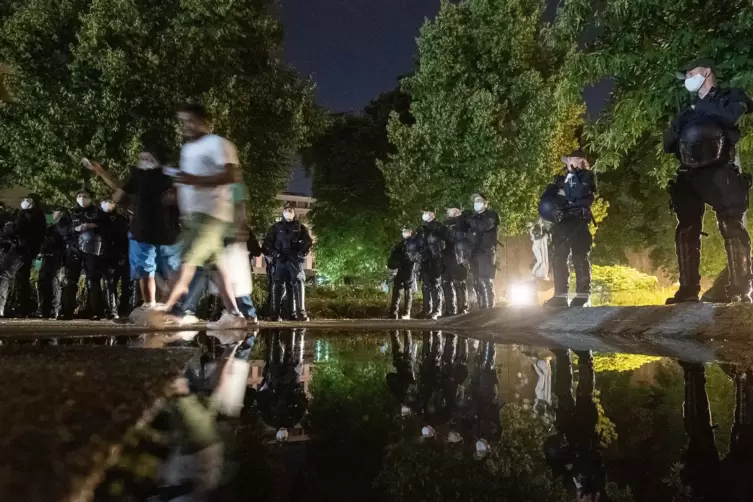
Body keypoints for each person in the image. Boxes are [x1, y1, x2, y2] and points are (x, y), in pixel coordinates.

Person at [665, 58, 753, 304]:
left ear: (706, 72)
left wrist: (701, 109)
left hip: (719, 170)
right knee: (686, 230)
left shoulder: (730, 96)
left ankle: (740, 290)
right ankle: (687, 291)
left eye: (691, 73)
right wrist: (687, 117)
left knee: (731, 226)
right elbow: (668, 143)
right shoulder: (687, 109)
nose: (688, 79)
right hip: (688, 173)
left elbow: (732, 115)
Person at [158, 103, 247, 329]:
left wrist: (197, 181)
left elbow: (232, 175)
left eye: (189, 120)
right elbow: (187, 180)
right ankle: (235, 314)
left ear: (202, 120)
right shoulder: (187, 150)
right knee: (217, 269)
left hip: (211, 216)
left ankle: (164, 309)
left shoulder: (218, 143)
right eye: (182, 121)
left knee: (186, 260)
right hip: (193, 217)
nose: (185, 126)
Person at [88, 138, 182, 313]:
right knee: (151, 271)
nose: (143, 162)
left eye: (147, 159)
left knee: (161, 271)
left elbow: (119, 192)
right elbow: (120, 188)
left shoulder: (162, 174)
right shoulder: (140, 178)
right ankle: (156, 306)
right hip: (152, 232)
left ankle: (164, 306)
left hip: (160, 231)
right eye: (142, 158)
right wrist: (101, 173)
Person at [540, 151, 596, 308]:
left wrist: (569, 183)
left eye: (570, 159)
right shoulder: (562, 178)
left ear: (580, 160)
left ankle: (582, 295)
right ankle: (560, 296)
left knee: (579, 256)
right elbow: (548, 198)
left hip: (578, 220)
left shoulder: (586, 176)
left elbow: (580, 193)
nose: (567, 162)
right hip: (562, 222)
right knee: (558, 257)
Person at [60, 189, 107, 320]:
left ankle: (95, 311)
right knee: (70, 280)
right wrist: (74, 229)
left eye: (85, 196)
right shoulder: (70, 213)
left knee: (93, 281)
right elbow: (61, 228)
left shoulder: (99, 213)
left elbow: (108, 228)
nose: (82, 198)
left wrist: (94, 226)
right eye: (79, 196)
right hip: (73, 249)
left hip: (92, 250)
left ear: (91, 198)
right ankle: (66, 311)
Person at [263, 203, 313, 322]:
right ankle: (275, 314)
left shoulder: (300, 227)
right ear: (283, 212)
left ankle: (300, 313)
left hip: (294, 260)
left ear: (294, 213)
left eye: (290, 210)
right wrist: (276, 254)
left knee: (297, 284)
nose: (288, 211)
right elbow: (267, 243)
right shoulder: (275, 227)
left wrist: (301, 254)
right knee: (277, 284)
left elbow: (308, 242)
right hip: (280, 260)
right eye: (286, 209)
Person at [0, 194, 47, 317]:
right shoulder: (34, 215)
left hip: (20, 250)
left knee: (4, 274)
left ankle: (4, 306)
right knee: (22, 279)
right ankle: (23, 307)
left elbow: (16, 228)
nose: (25, 202)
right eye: (24, 200)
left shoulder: (30, 215)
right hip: (25, 251)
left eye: (28, 200)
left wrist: (10, 227)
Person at [34, 208, 72, 319]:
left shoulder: (65, 227)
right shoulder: (50, 228)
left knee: (55, 282)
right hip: (47, 257)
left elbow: (66, 242)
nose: (52, 214)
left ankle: (55, 309)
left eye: (55, 212)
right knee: (43, 282)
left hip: (58, 258)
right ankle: (43, 309)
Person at [466, 194, 500, 309]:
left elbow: (482, 226)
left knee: (485, 279)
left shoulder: (491, 215)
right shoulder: (473, 217)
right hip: (474, 251)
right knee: (476, 281)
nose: (476, 203)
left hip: (486, 251)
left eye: (479, 200)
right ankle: (481, 308)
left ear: (486, 203)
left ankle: (489, 308)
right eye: (475, 201)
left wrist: (470, 220)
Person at [100, 198, 132, 319]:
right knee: (109, 284)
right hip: (106, 256)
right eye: (105, 201)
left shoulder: (121, 220)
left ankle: (124, 310)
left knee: (126, 285)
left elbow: (125, 239)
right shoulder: (99, 219)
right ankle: (111, 310)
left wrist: (123, 254)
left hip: (122, 255)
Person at [416, 209, 446, 320]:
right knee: (425, 285)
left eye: (427, 212)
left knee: (435, 285)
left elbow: (442, 243)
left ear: (432, 214)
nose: (424, 214)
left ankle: (436, 310)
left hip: (435, 259)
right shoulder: (423, 228)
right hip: (425, 260)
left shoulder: (439, 227)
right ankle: (426, 309)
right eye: (423, 212)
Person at [443, 207, 472, 316]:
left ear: (457, 209)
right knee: (446, 283)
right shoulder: (447, 223)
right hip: (448, 257)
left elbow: (465, 236)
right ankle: (450, 310)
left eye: (449, 209)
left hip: (460, 256)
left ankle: (463, 309)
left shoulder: (464, 221)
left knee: (459, 283)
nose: (447, 211)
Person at [387, 227, 420, 319]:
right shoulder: (400, 244)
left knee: (407, 289)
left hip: (409, 268)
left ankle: (406, 312)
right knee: (396, 288)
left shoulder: (413, 242)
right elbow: (393, 256)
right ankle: (393, 311)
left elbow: (414, 256)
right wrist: (394, 262)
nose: (404, 233)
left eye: (406, 231)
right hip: (400, 268)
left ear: (410, 232)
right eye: (403, 231)